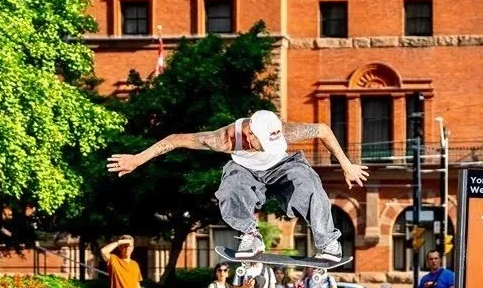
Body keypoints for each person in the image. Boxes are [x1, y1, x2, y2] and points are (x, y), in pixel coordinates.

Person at [106, 110, 369, 262]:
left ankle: (327, 243)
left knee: (310, 183)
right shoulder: (222, 140)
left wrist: (346, 164)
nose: (262, 145)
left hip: (282, 167)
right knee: (230, 187)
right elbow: (175, 139)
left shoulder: (281, 130)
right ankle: (250, 236)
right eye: (260, 143)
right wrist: (138, 159)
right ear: (249, 134)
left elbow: (323, 130)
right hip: (246, 170)